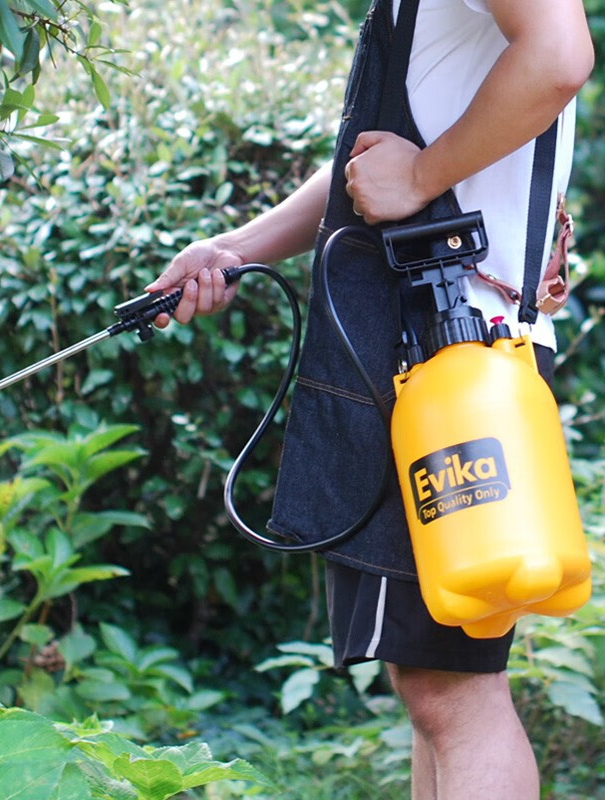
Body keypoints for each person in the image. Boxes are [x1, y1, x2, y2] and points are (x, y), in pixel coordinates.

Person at [147, 1, 594, 798]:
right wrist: (232, 250)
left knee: (449, 688)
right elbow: (368, 172)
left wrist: (421, 177)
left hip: (451, 360)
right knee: (432, 684)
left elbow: (559, 55)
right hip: (438, 358)